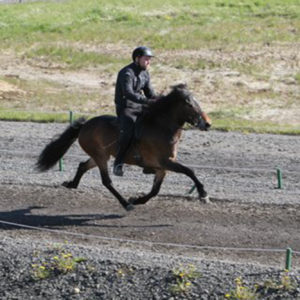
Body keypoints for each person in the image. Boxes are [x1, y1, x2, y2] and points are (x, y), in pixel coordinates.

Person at [113, 46, 156, 176]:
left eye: (149, 60)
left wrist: (161, 100)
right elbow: (128, 93)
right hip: (126, 108)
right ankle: (118, 163)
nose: (148, 62)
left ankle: (149, 162)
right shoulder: (126, 73)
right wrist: (146, 101)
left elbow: (150, 93)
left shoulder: (145, 73)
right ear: (137, 59)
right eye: (146, 59)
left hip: (140, 106)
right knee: (129, 129)